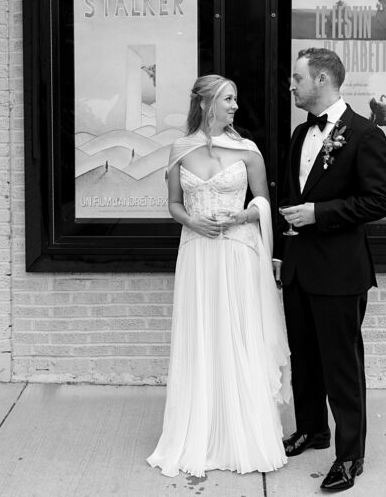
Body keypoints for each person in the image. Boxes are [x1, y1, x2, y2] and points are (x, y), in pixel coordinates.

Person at [147, 74, 290, 478]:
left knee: (238, 334)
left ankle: (245, 433)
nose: (235, 106)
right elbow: (173, 203)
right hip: (197, 254)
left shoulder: (248, 150)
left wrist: (241, 214)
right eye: (228, 99)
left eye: (236, 99)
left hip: (239, 250)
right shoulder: (180, 149)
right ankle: (201, 433)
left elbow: (263, 201)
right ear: (207, 103)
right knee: (202, 335)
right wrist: (193, 222)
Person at [275, 48, 386, 492]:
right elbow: (291, 196)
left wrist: (319, 214)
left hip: (341, 272)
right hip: (298, 269)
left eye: (297, 78)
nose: (292, 85)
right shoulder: (297, 134)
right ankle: (312, 429)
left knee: (342, 365)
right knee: (303, 356)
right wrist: (281, 254)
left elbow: (381, 200)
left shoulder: (365, 135)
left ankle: (350, 456)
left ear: (322, 79)